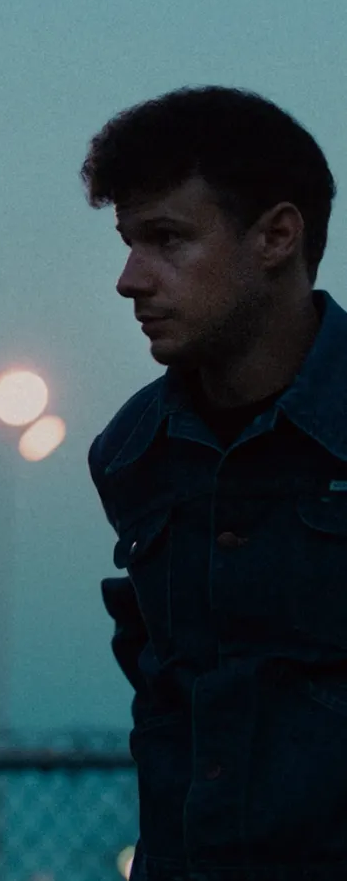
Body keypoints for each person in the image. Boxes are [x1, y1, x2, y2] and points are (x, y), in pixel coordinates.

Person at [82, 86, 347, 880]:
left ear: (277, 236)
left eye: (166, 239)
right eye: (129, 242)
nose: (130, 279)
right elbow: (165, 700)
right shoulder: (133, 453)